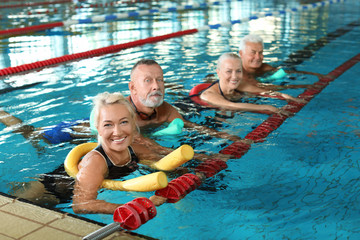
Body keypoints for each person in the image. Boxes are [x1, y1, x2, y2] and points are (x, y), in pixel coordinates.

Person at [72, 92, 165, 214]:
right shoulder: (95, 162)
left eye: (123, 122)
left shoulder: (136, 149)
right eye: (108, 125)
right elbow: (81, 204)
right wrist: (137, 208)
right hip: (57, 192)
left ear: (133, 123)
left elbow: (166, 166)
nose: (117, 132)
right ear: (98, 128)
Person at [200, 52, 305, 115]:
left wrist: (286, 96)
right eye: (229, 71)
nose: (234, 76)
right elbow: (231, 105)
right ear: (218, 72)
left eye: (238, 71)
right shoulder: (208, 95)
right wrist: (266, 107)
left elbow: (264, 92)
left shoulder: (239, 84)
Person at [238, 34, 324, 90]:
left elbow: (286, 72)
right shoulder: (239, 74)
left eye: (260, 53)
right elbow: (263, 88)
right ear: (241, 53)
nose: (258, 57)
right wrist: (304, 86)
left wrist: (315, 74)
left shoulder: (263, 67)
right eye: (253, 52)